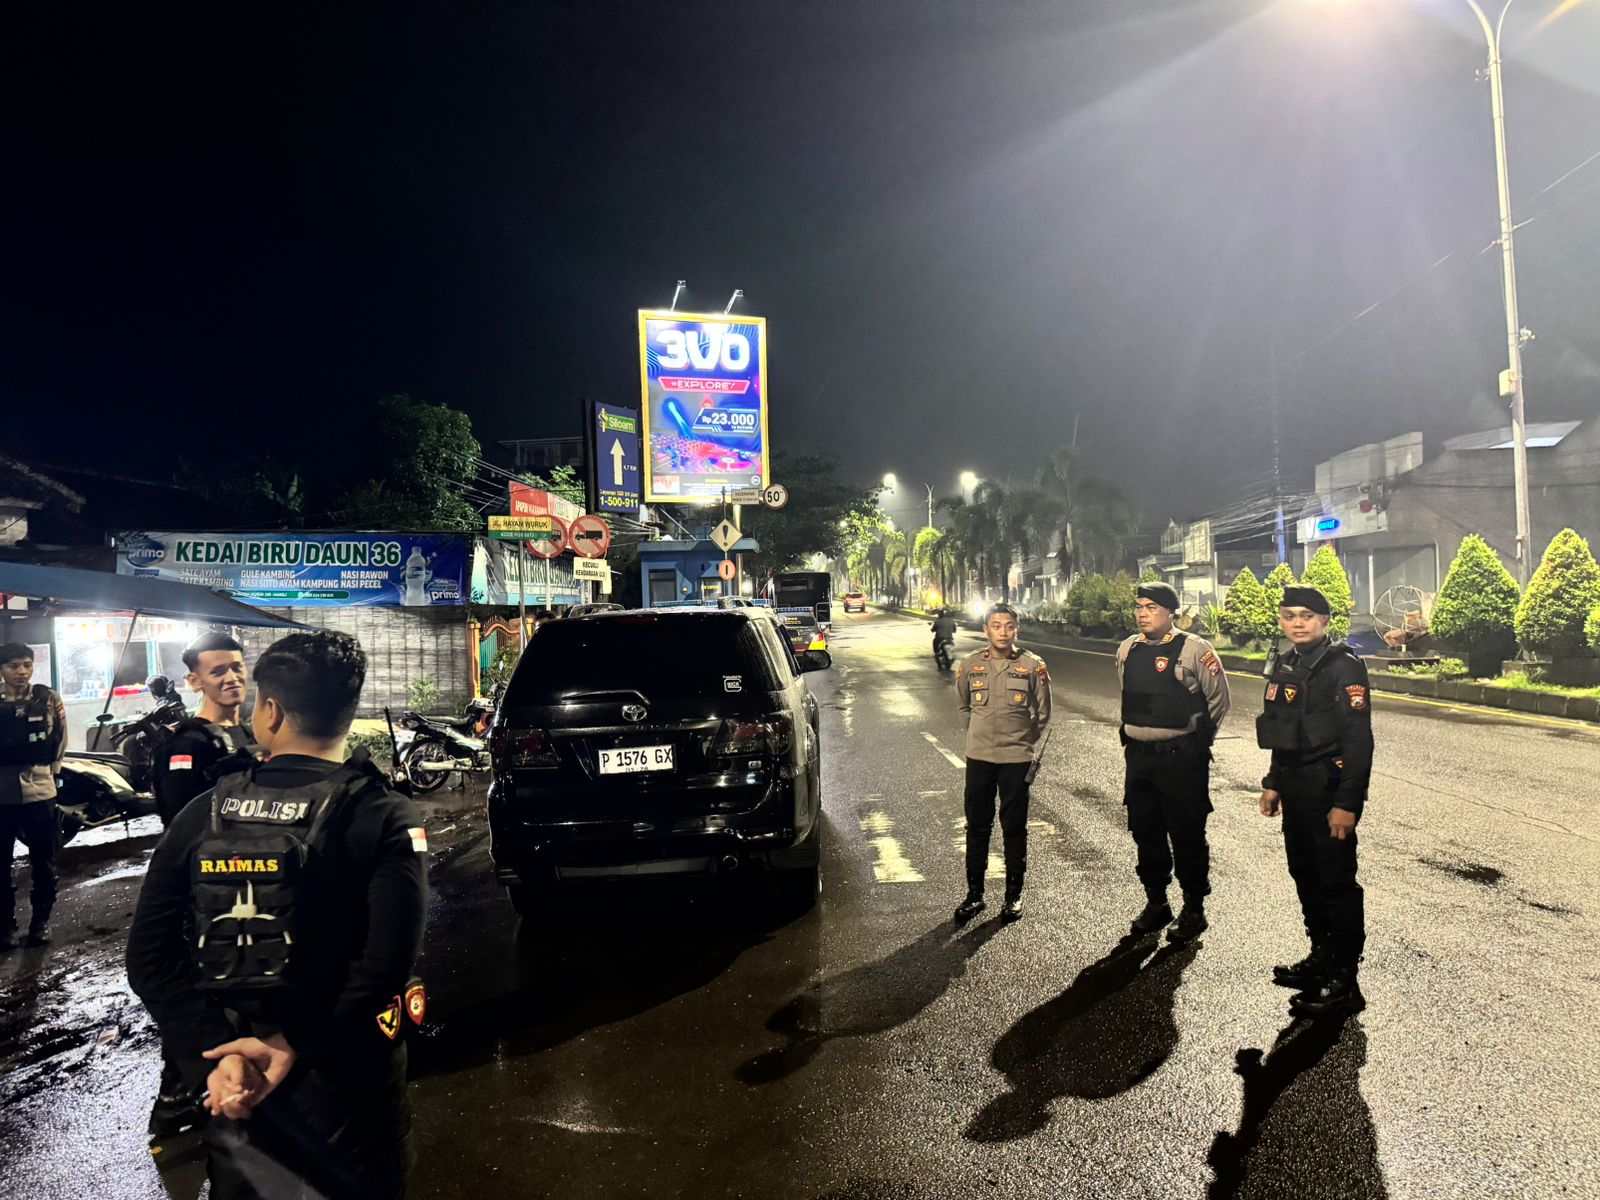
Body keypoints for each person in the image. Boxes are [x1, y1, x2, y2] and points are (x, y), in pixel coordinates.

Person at [128, 631, 429, 1197]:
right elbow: (385, 964)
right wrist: (291, 1044)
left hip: (238, 1084)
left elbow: (150, 958)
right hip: (349, 1083)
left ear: (270, 710)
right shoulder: (385, 814)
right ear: (348, 710)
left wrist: (215, 1057)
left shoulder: (204, 812)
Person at [1256, 584, 1373, 1017]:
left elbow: (1359, 740)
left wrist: (1348, 804)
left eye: (1307, 616)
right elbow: (1281, 728)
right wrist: (1273, 782)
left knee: (1336, 883)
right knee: (1305, 874)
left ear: (1324, 621)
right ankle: (1321, 956)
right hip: (1295, 787)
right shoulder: (1287, 663)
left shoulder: (1343, 667)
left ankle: (1344, 979)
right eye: (1289, 616)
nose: (1298, 623)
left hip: (1328, 791)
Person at [1116, 582, 1230, 941]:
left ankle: (1194, 909)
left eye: (1151, 607)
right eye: (1139, 607)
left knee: (1187, 834)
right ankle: (1157, 902)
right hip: (1139, 760)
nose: (1142, 613)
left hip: (1181, 761)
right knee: (1145, 830)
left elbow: (1218, 701)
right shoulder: (1127, 649)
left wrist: (1195, 741)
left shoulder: (1195, 650)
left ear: (1171, 612)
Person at [953, 604, 1052, 924]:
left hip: (1016, 759)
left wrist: (1024, 740)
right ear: (986, 630)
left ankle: (1013, 896)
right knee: (977, 826)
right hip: (979, 758)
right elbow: (963, 706)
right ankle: (974, 895)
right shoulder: (970, 665)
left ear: (1016, 630)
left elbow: (1043, 713)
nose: (1003, 632)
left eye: (1009, 626)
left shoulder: (1032, 666)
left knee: (1014, 828)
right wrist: (976, 735)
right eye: (996, 626)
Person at [152, 631, 260, 828]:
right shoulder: (184, 745)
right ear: (194, 681)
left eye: (237, 668)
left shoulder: (253, 734)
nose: (232, 678)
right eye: (218, 672)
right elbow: (179, 822)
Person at [0, 642, 66, 949]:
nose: (21, 672)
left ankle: (41, 923)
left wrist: (53, 771)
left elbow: (60, 738)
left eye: (27, 665)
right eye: (13, 666)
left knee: (44, 862)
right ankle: (5, 927)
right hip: (2, 795)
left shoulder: (48, 699)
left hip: (40, 791)